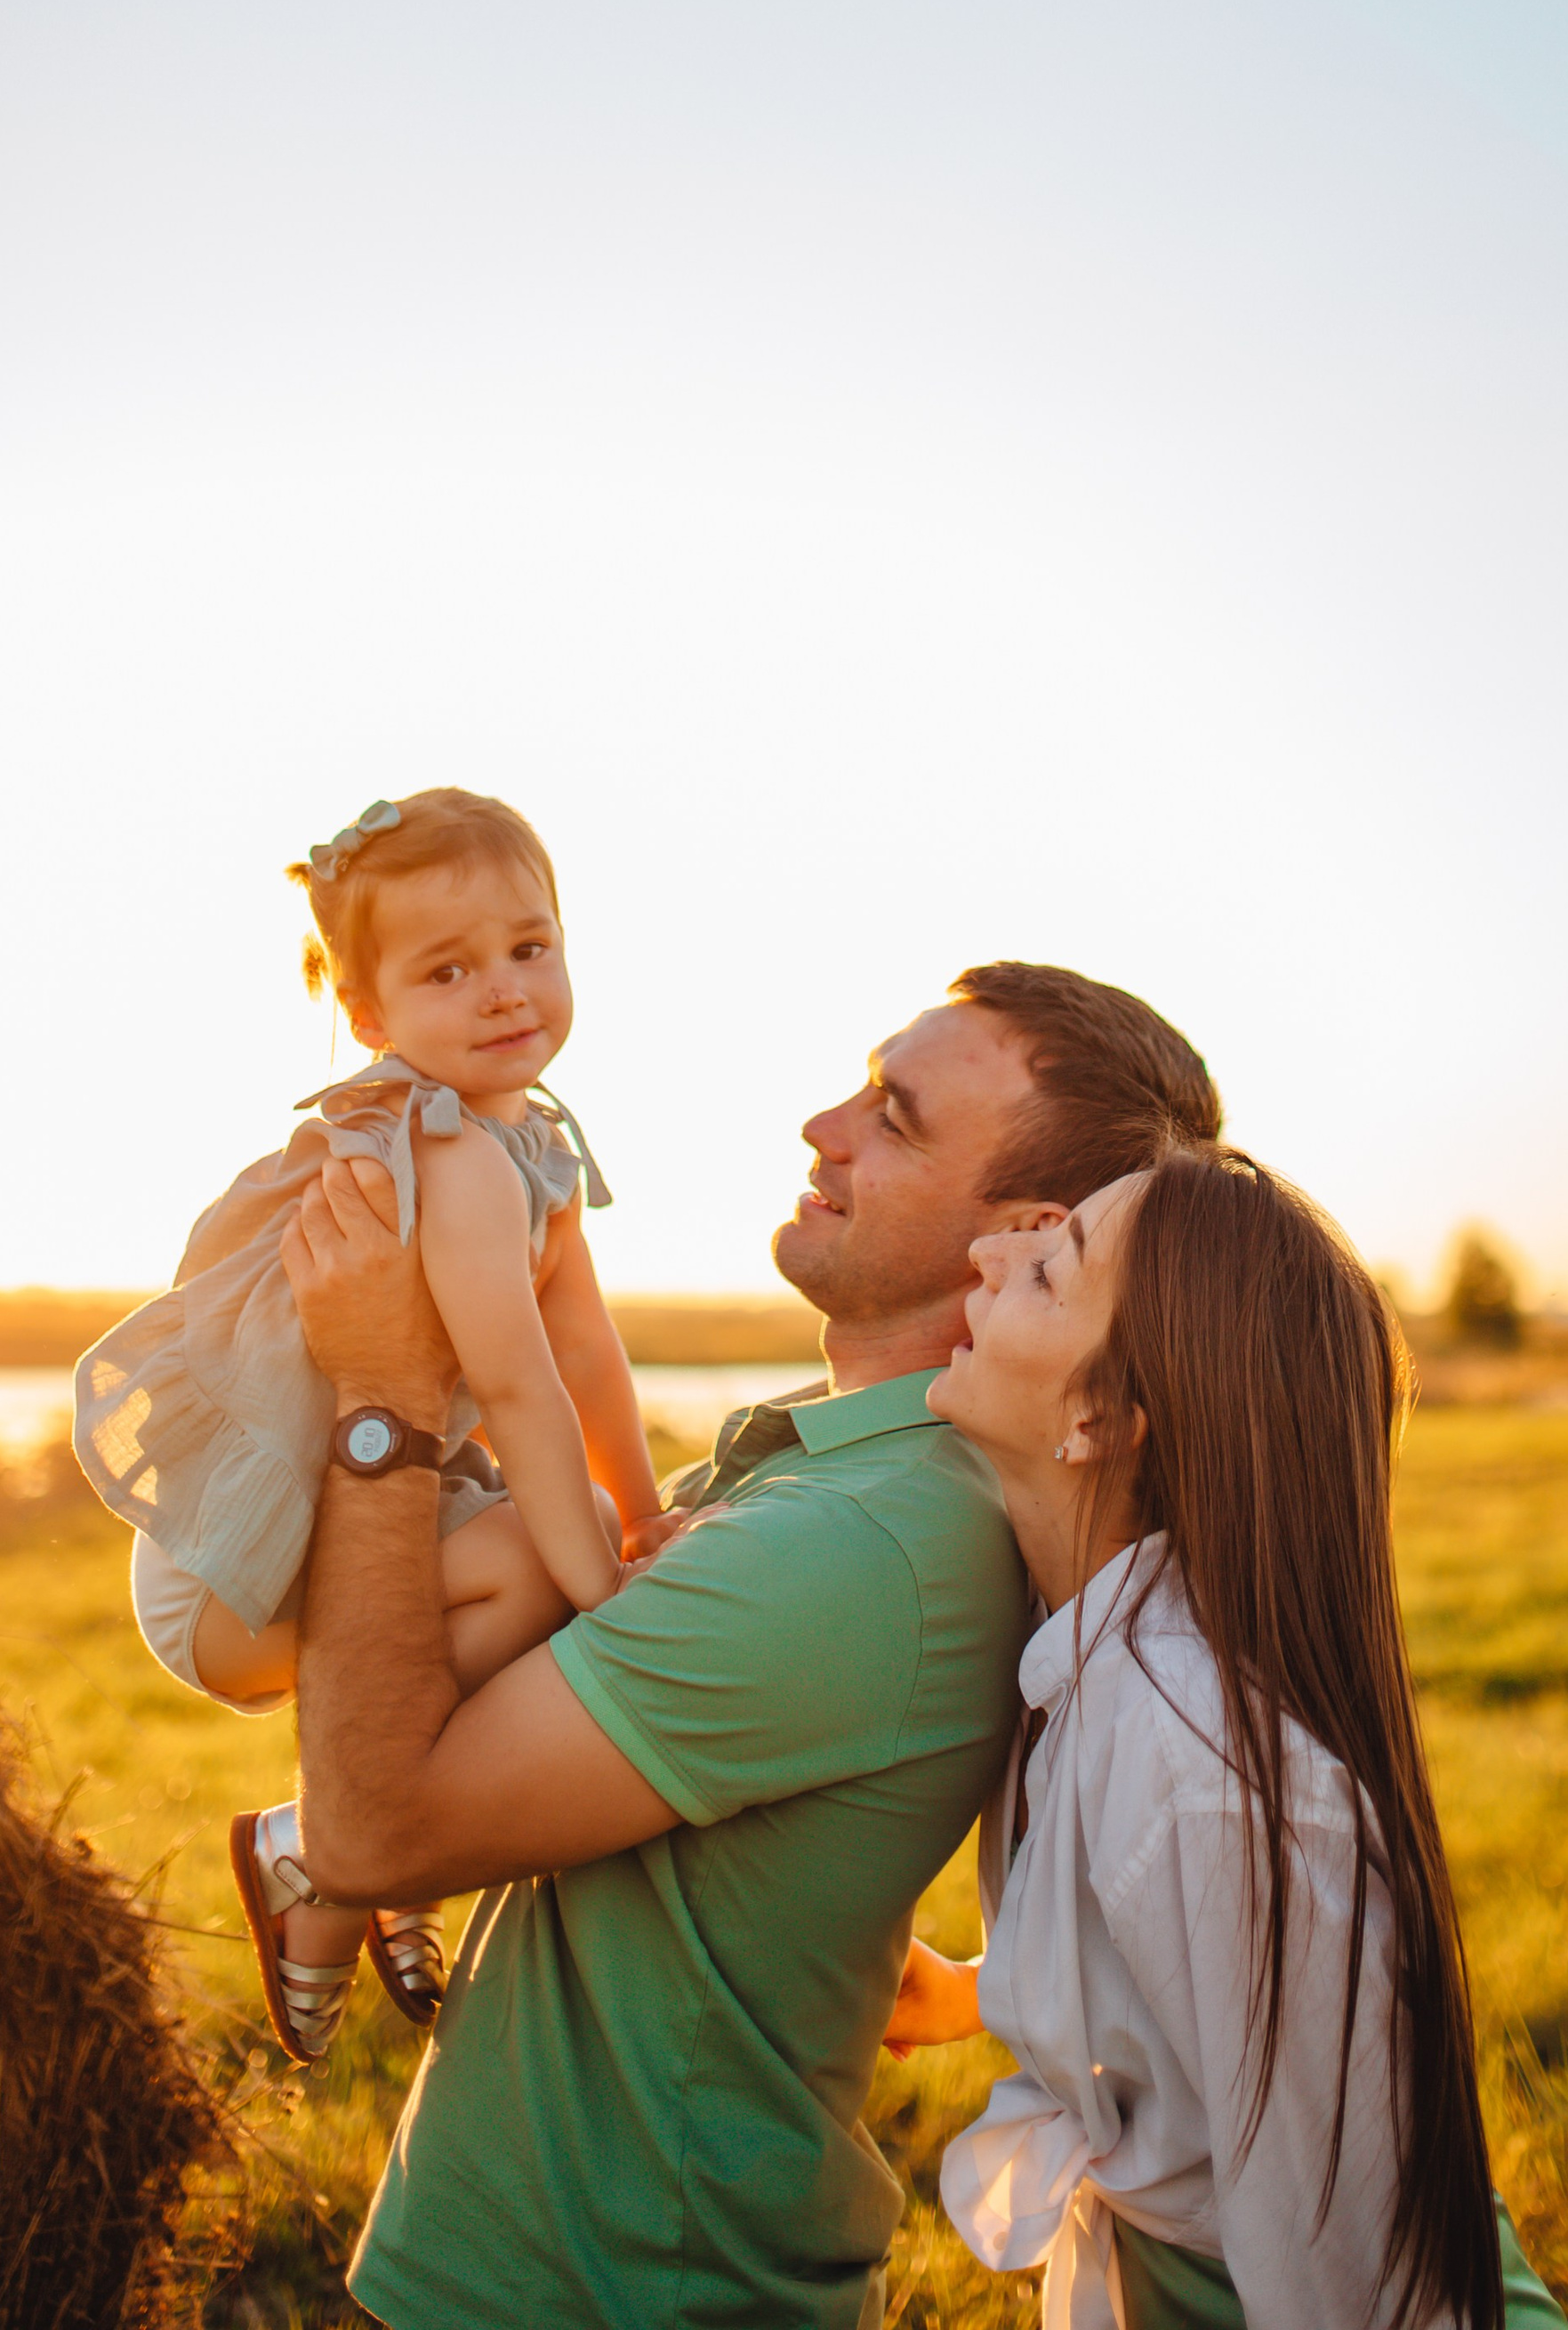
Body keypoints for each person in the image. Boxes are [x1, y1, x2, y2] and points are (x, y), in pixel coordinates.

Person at [278, 961, 1223, 2330]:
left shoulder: (861, 1541)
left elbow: (370, 1835)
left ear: (1016, 1232)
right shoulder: (839, 1469)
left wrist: (376, 1397)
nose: (822, 1124)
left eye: (893, 1115)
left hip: (599, 2290)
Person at [890, 1149, 1568, 2330]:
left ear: (1102, 1419)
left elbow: (1348, 2280)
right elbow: (1190, 1966)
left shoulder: (1200, 1777)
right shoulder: (1091, 1646)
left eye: (1049, 1268)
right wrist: (987, 1993)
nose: (988, 1254)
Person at [71, 787, 664, 2058]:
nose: (507, 992)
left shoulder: (528, 1146)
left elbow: (588, 1361)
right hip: (233, 1563)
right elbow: (514, 1389)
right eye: (449, 970)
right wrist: (601, 1579)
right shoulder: (443, 1156)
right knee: (545, 1570)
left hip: (368, 1532)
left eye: (530, 948)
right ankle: (325, 1852)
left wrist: (648, 1513)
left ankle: (376, 1855)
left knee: (564, 1542)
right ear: (368, 1016)